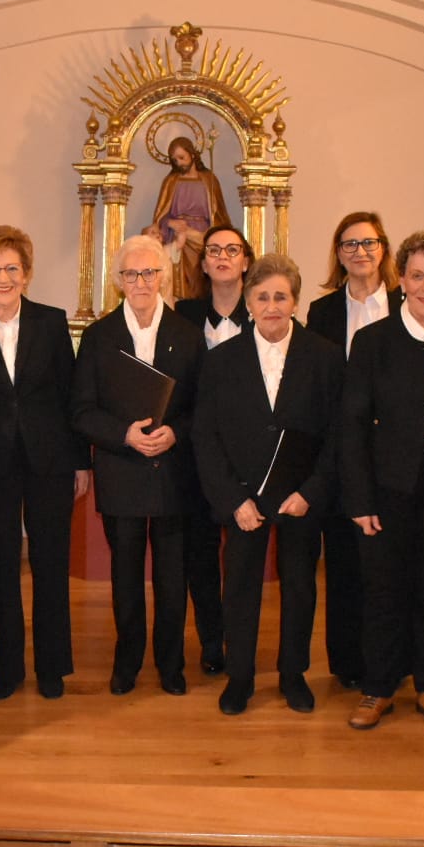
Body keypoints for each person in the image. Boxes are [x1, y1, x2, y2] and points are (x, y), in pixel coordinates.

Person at [193, 254, 343, 716]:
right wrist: (232, 499)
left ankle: (293, 673)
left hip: (301, 497)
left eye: (281, 296)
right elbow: (205, 434)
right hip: (243, 498)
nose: (272, 305)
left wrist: (311, 493)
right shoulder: (221, 360)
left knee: (300, 586)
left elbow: (339, 434)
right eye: (262, 297)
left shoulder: (324, 356)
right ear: (248, 303)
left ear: (295, 300)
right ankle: (239, 677)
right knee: (239, 586)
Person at [341, 231, 424, 732]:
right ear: (402, 279)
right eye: (417, 275)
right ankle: (378, 687)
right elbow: (351, 426)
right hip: (386, 484)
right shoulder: (373, 341)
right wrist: (359, 497)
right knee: (384, 589)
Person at [0, 225, 90, 700]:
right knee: (2, 568)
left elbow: (69, 396)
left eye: (12, 267)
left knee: (51, 565)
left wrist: (79, 463)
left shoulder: (52, 322)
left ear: (27, 274)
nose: (3, 277)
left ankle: (52, 668)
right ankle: (7, 668)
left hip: (49, 460)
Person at [71, 234, 204, 695]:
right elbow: (82, 409)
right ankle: (126, 662)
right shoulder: (99, 336)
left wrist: (177, 433)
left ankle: (171, 666)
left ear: (164, 277)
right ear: (118, 281)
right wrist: (123, 434)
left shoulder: (188, 336)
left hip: (173, 474)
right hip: (121, 470)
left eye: (150, 272)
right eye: (131, 274)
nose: (141, 281)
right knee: (125, 577)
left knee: (172, 578)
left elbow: (202, 407)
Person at [304, 212, 402, 690]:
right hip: (340, 452)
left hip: (394, 452)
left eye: (369, 242)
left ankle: (392, 661)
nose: (359, 252)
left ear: (384, 248)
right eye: (349, 244)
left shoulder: (408, 301)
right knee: (343, 563)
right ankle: (347, 662)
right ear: (337, 254)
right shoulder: (322, 313)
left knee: (391, 565)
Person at [174, 223, 256, 676]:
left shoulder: (264, 312)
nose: (222, 256)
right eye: (213, 250)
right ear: (203, 263)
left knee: (243, 559)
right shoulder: (183, 315)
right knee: (199, 555)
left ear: (246, 261)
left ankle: (240, 640)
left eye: (232, 249)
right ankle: (211, 641)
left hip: (248, 456)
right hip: (192, 456)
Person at [147, 136, 232, 299]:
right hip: (180, 238)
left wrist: (213, 233)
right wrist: (170, 222)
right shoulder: (171, 181)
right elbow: (159, 218)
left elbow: (219, 214)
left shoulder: (209, 180)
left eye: (182, 158)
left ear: (192, 155)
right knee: (183, 287)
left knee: (202, 280)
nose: (179, 163)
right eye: (174, 160)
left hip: (203, 238)